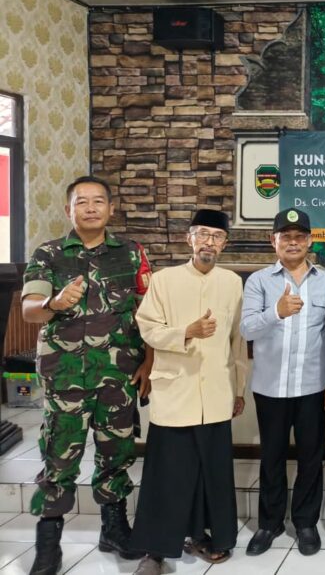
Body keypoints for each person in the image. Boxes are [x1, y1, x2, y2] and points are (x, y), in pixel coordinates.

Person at [22, 176, 151, 575]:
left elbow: (150, 311)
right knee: (59, 457)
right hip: (65, 377)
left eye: (98, 201)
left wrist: (149, 361)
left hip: (119, 375)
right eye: (82, 202)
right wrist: (55, 301)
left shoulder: (131, 253)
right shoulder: (49, 254)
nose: (91, 208)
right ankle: (48, 543)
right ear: (69, 210)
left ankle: (114, 529)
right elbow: (29, 310)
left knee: (117, 453)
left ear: (111, 208)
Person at [129, 209, 248, 575]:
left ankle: (204, 536)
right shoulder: (164, 280)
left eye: (217, 236)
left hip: (216, 393)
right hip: (175, 391)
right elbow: (148, 328)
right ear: (189, 238)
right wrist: (186, 332)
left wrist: (239, 388)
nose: (209, 242)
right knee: (168, 474)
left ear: (225, 243)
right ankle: (155, 551)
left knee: (212, 473)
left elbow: (237, 340)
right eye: (202, 234)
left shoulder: (232, 283)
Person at [239, 208, 325, 557]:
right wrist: (276, 312)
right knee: (272, 457)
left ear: (310, 241)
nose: (293, 242)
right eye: (286, 237)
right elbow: (246, 329)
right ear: (274, 241)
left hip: (312, 387)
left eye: (300, 237)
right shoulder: (259, 281)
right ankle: (269, 523)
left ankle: (306, 522)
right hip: (271, 388)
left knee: (311, 458)